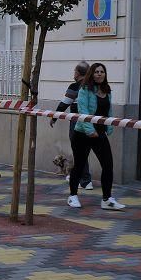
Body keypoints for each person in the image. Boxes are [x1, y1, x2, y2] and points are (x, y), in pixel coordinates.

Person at [68, 62, 125, 211]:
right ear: (91, 74)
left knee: (108, 165)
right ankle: (72, 196)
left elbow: (109, 110)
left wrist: (109, 128)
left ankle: (107, 199)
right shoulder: (85, 89)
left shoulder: (107, 90)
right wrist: (89, 129)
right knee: (79, 166)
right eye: (96, 72)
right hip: (83, 134)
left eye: (102, 72)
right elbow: (83, 110)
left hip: (100, 134)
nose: (99, 74)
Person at [52, 61, 94, 190]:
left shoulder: (75, 86)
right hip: (91, 122)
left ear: (78, 73)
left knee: (78, 150)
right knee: (83, 151)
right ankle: (80, 176)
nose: (73, 74)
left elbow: (65, 103)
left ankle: (85, 180)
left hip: (77, 122)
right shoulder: (92, 86)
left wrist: (54, 117)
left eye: (74, 71)